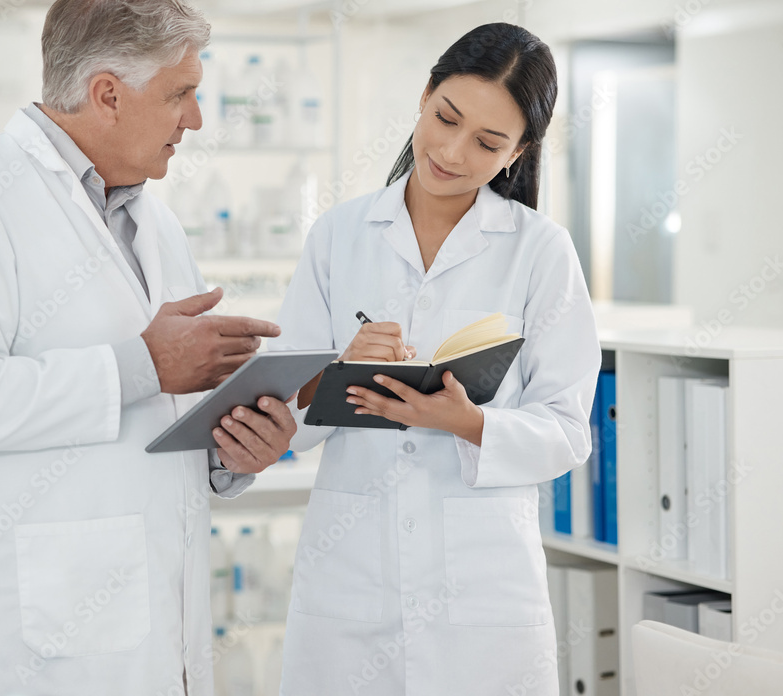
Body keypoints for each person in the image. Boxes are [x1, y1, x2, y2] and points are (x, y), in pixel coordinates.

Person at [0, 1, 296, 694]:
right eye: (181, 94)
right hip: (25, 640)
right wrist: (143, 364)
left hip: (152, 626)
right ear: (108, 93)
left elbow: (158, 419)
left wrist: (230, 452)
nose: (194, 119)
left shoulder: (153, 220)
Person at [269, 23, 601, 696]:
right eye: (445, 118)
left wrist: (468, 423)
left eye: (487, 142)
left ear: (519, 153)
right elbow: (286, 416)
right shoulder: (339, 235)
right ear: (424, 95)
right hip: (350, 579)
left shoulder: (540, 251)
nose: (450, 151)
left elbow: (568, 431)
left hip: (482, 594)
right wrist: (339, 370)